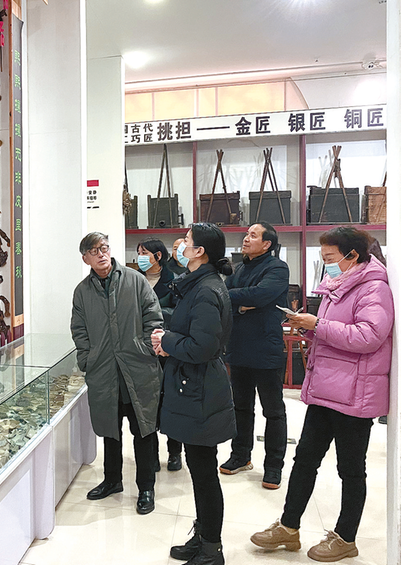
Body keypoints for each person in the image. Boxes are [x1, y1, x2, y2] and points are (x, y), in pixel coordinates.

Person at [251, 227, 393, 563]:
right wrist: (310, 328)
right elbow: (333, 334)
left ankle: (346, 537)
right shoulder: (336, 285)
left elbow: (369, 336)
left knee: (351, 470)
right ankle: (288, 527)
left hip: (355, 395)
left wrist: (317, 325)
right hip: (325, 388)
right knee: (304, 461)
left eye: (330, 257)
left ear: (352, 255)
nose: (326, 263)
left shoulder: (374, 287)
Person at [151, 223, 235, 565]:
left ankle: (212, 549)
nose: (181, 246)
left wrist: (167, 341)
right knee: (199, 469)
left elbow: (202, 347)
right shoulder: (198, 284)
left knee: (203, 471)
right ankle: (203, 536)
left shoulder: (206, 290)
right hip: (192, 384)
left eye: (186, 241)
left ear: (200, 251)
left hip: (199, 387)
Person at [71, 232, 163, 515]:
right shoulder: (82, 291)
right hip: (103, 370)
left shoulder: (135, 280)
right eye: (94, 251)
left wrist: (145, 347)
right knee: (110, 430)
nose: (101, 254)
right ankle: (112, 480)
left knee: (143, 429)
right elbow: (79, 329)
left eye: (104, 248)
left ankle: (146, 487)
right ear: (85, 258)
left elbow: (153, 316)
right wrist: (87, 359)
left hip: (137, 368)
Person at [220, 222, 289, 490]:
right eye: (246, 234)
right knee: (240, 407)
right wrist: (242, 305)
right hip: (238, 347)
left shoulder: (277, 268)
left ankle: (273, 466)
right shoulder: (239, 269)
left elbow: (261, 294)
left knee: (273, 411)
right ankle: (241, 455)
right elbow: (225, 298)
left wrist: (239, 299)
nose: (246, 239)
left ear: (267, 244)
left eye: (253, 235)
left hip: (266, 349)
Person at [136, 238, 182, 472]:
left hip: (166, 349)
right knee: (146, 405)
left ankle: (175, 452)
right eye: (139, 253)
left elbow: (179, 313)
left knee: (170, 401)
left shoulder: (174, 281)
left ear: (158, 256)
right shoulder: (134, 280)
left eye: (145, 253)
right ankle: (150, 455)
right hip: (140, 351)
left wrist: (152, 314)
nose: (140, 257)